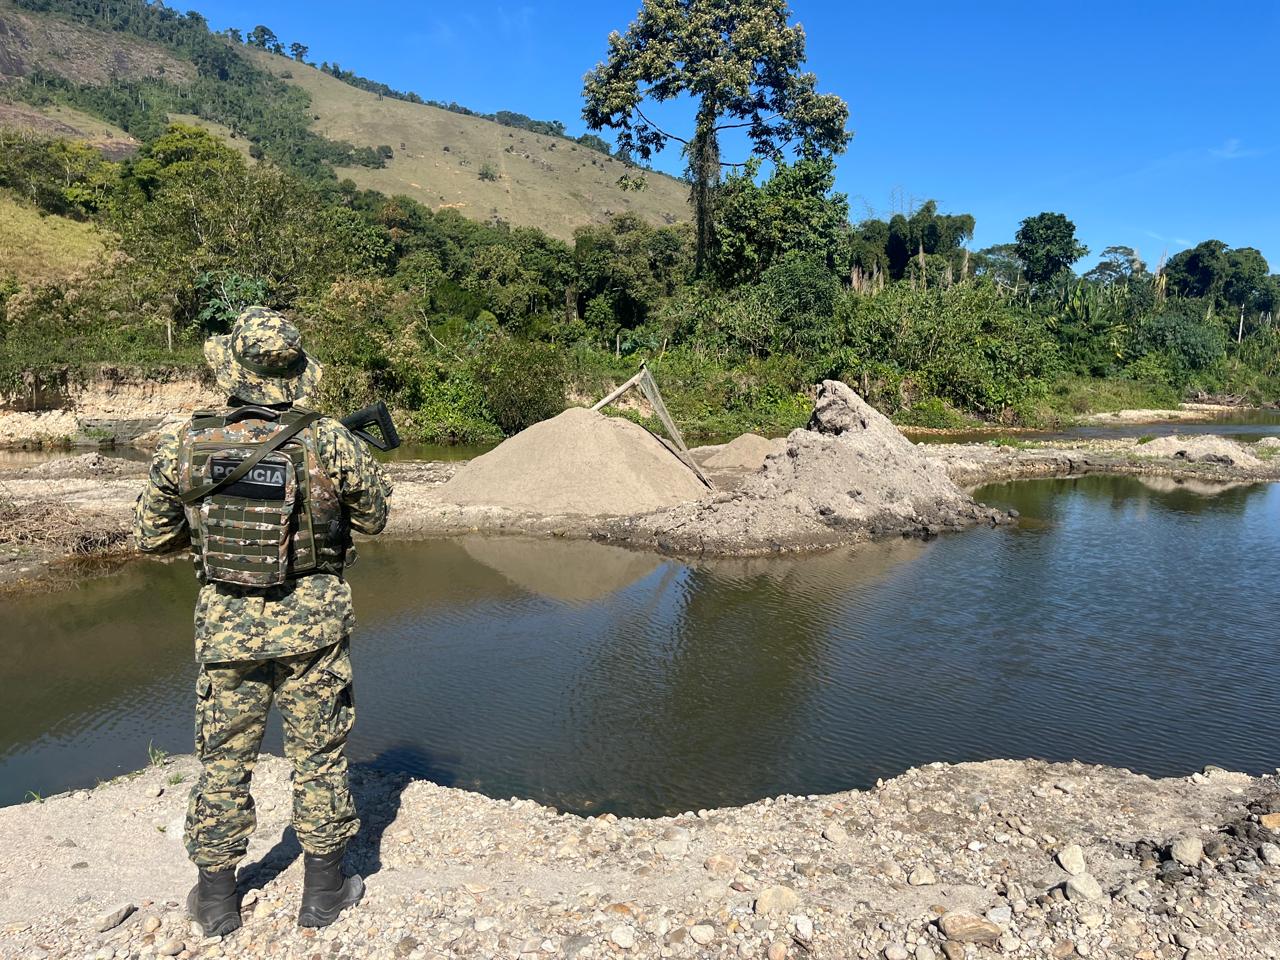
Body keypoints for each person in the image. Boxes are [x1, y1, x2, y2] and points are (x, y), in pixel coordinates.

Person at [134, 306, 392, 935]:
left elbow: (151, 536)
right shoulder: (329, 438)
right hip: (314, 626)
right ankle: (324, 894)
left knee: (223, 759)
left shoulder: (188, 440)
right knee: (320, 757)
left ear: (234, 371)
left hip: (227, 626)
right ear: (297, 372)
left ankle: (218, 901)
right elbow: (375, 519)